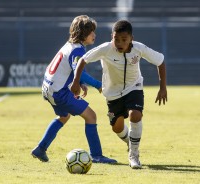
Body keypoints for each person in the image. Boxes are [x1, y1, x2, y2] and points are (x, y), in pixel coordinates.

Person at [71, 20, 167, 169]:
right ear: (112, 37)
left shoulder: (139, 48)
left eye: (124, 39)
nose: (120, 43)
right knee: (116, 127)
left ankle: (134, 155)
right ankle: (130, 141)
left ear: (131, 39)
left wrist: (162, 88)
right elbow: (83, 60)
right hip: (112, 94)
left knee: (136, 115)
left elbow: (160, 61)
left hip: (133, 87)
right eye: (116, 39)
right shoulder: (105, 49)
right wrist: (76, 81)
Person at [31, 15, 117, 164]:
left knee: (64, 117)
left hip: (48, 89)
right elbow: (80, 72)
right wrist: (98, 85)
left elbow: (71, 71)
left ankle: (40, 149)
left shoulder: (69, 45)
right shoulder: (77, 51)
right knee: (91, 116)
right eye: (91, 32)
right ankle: (96, 155)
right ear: (83, 33)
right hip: (60, 92)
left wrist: (78, 82)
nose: (94, 35)